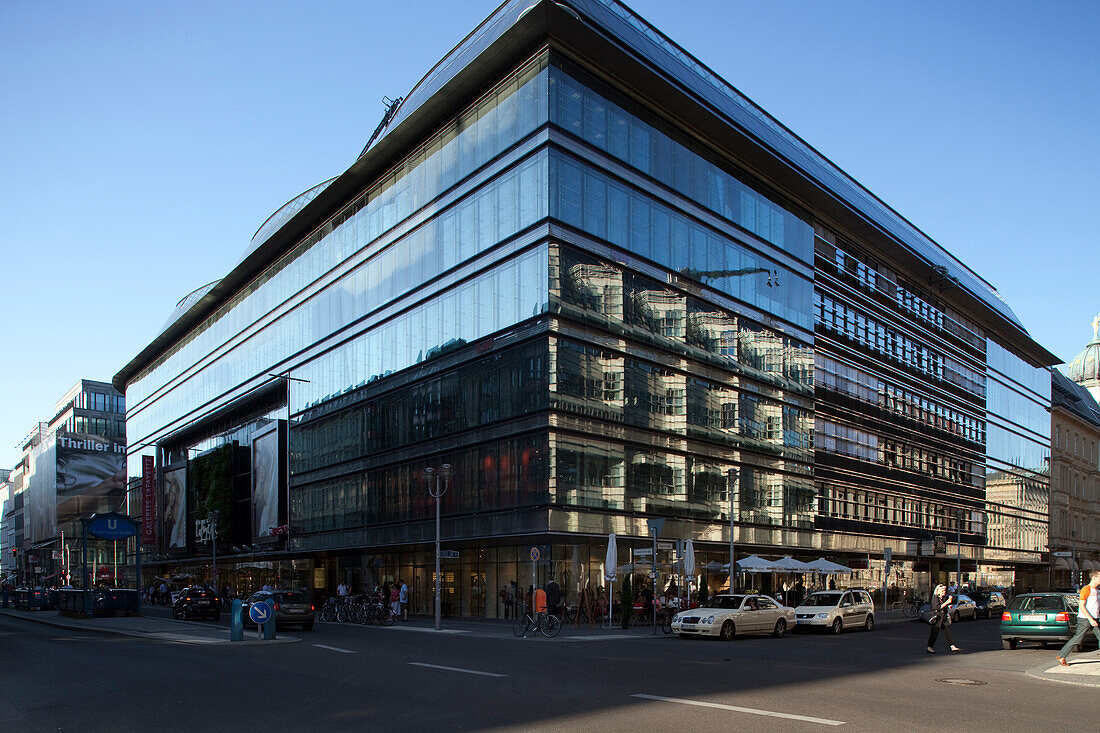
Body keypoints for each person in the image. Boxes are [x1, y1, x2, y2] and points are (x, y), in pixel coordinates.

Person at [1057, 569, 1100, 666]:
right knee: (1078, 638)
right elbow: (1082, 606)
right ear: (1094, 578)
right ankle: (1061, 655)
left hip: (1095, 618)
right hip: (1085, 619)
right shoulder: (1086, 589)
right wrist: (1090, 619)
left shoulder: (1097, 591)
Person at [926, 584, 961, 654]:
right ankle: (929, 647)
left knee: (947, 632)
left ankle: (952, 646)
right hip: (937, 618)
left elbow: (943, 606)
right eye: (942, 590)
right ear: (938, 591)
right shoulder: (935, 598)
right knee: (934, 633)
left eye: (944, 590)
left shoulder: (942, 598)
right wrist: (947, 602)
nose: (943, 592)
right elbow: (937, 607)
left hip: (943, 618)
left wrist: (948, 606)